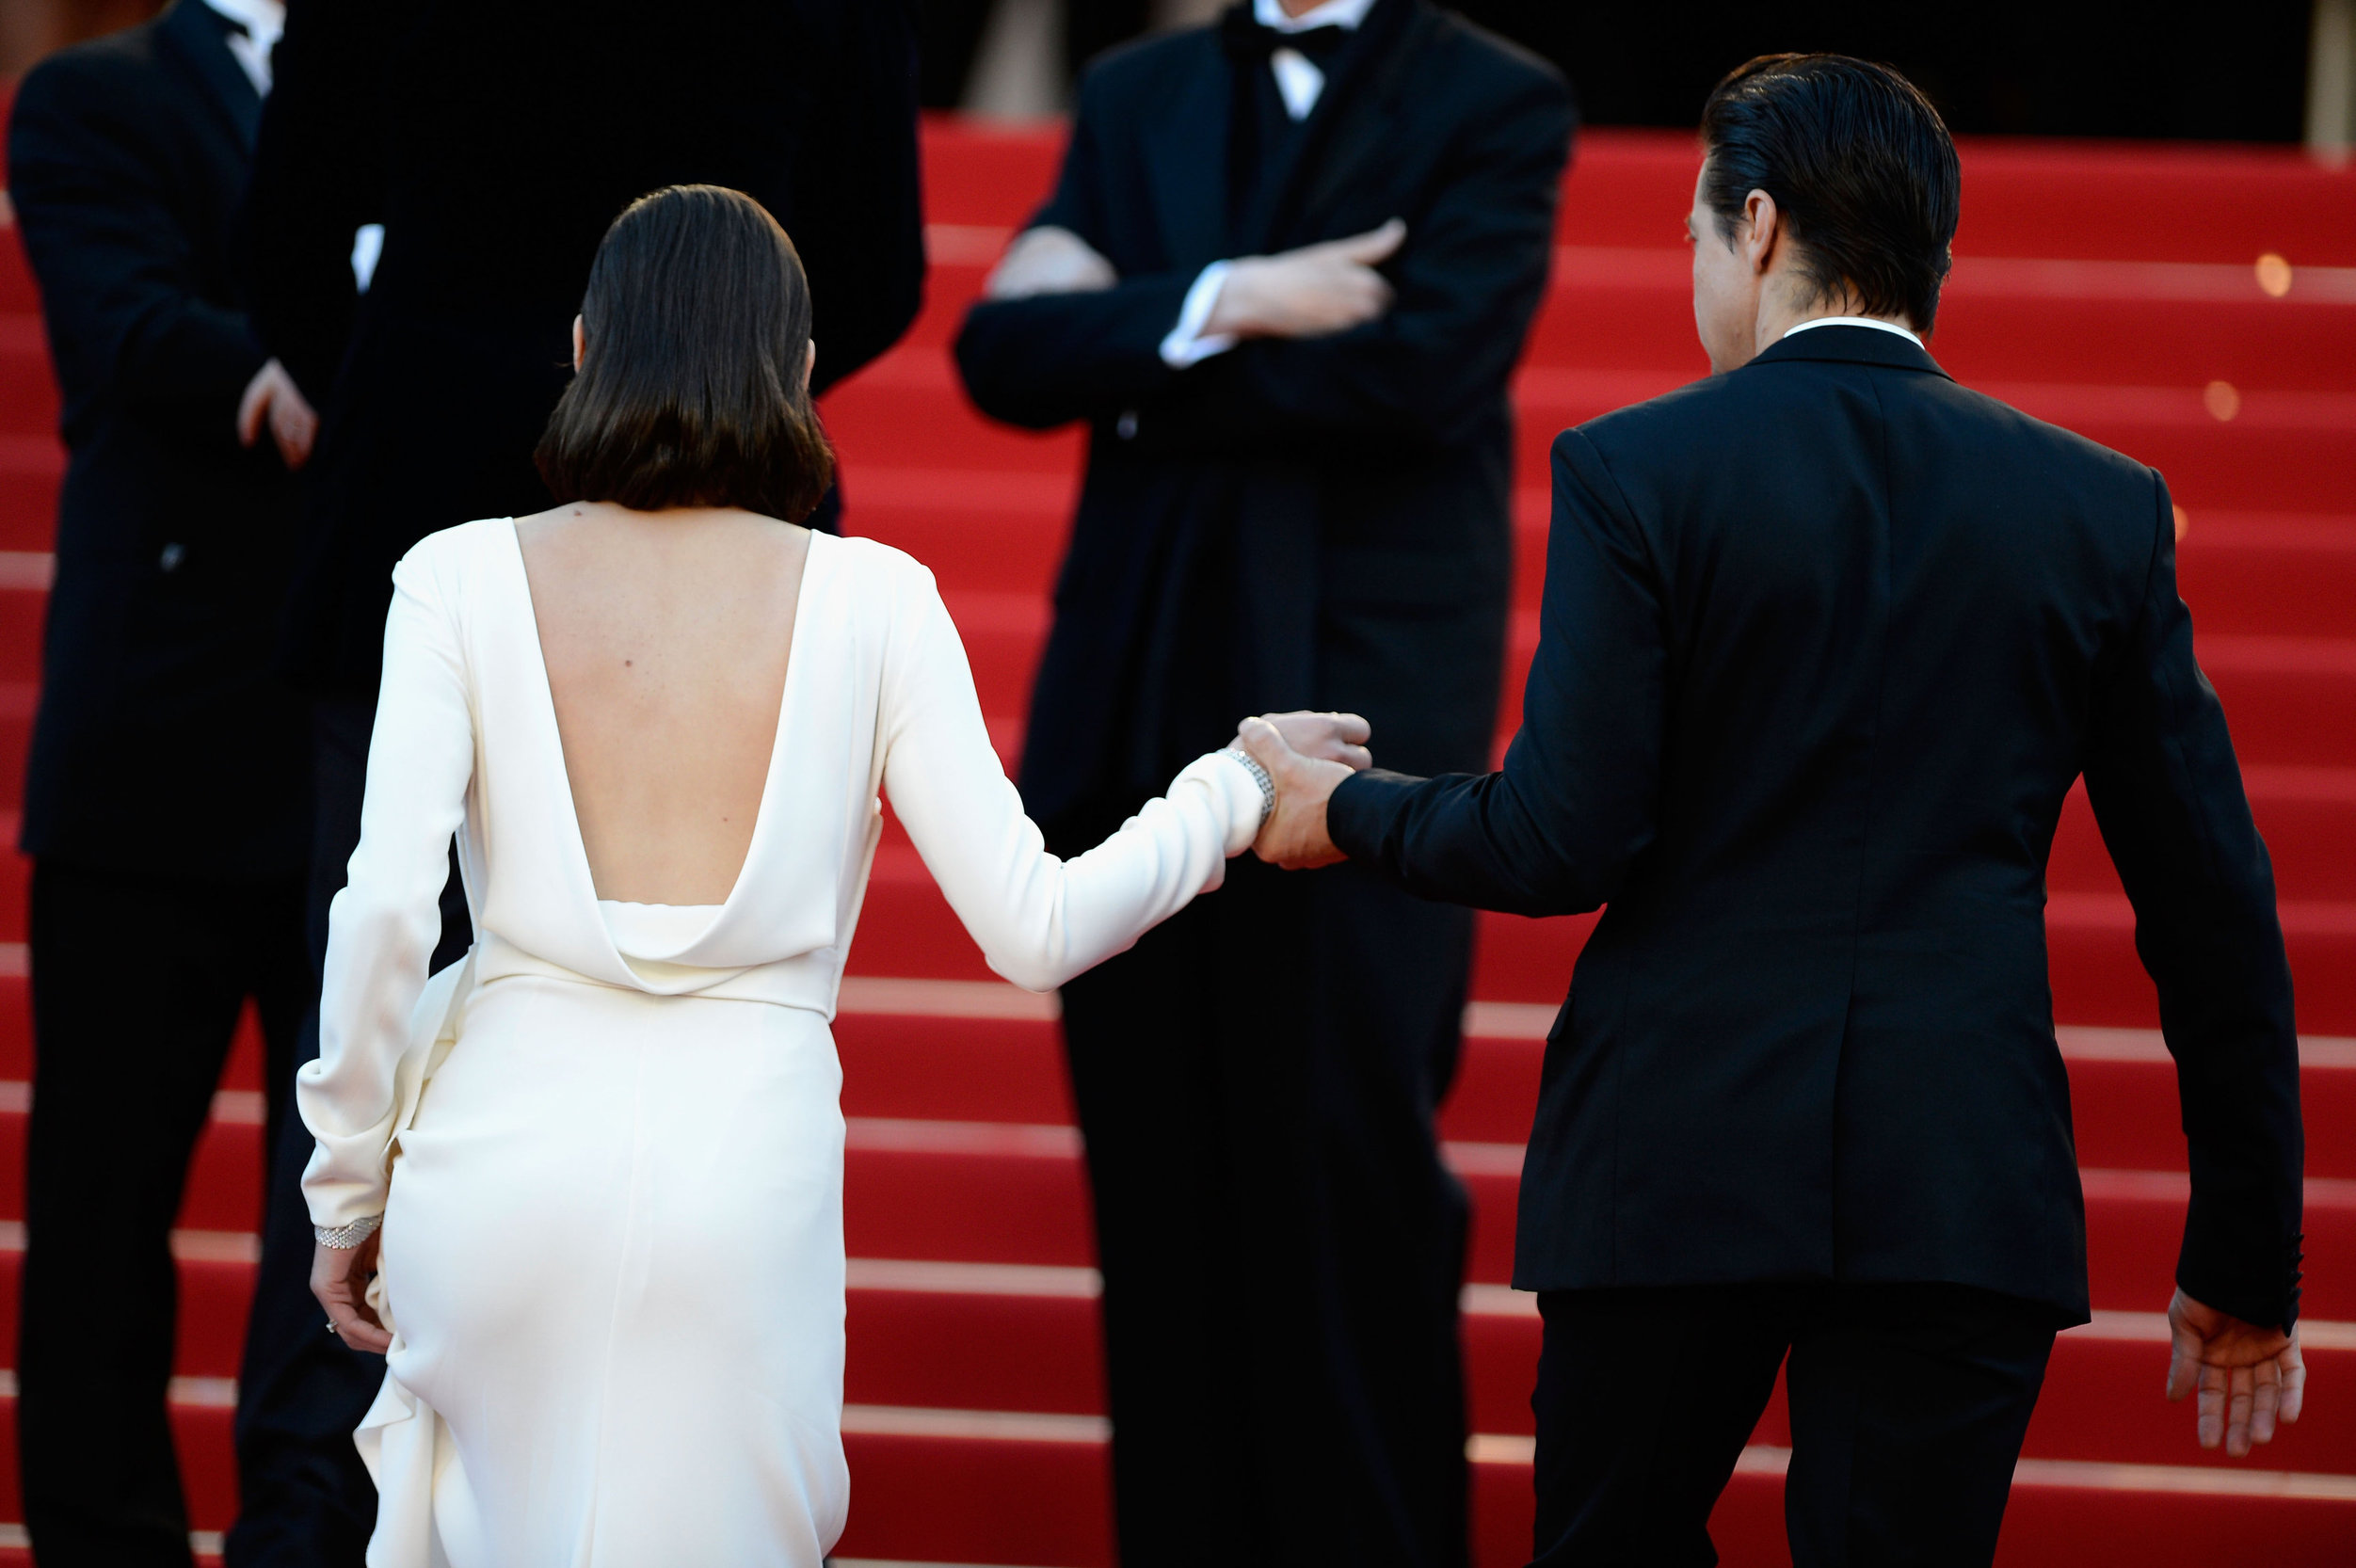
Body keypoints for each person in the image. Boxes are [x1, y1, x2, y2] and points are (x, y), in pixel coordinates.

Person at [1238, 54, 2306, 1567]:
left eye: (1690, 236)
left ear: (1755, 224)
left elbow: (1561, 836)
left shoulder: (1640, 472)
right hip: (1957, 1188)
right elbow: (2212, 906)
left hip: (1671, 1168)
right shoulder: (2097, 508)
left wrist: (1345, 814)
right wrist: (2245, 1253)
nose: (1692, 269)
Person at [294, 183, 1362, 1568]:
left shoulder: (454, 578)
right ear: (798, 374)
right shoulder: (877, 601)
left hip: (497, 1161)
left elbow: (382, 905)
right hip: (745, 1170)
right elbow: (1036, 923)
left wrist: (344, 1188)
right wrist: (1228, 790)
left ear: (580, 347)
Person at [229, 7, 927, 1560]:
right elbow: (875, 271)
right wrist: (714, 405)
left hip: (412, 475)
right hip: (731, 561)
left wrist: (428, 369)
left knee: (364, 1003)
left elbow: (282, 229)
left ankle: (308, 1510)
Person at [952, 3, 1573, 1560]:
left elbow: (1427, 367)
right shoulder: (1139, 88)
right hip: (1135, 701)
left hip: (1368, 714)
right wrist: (1250, 297)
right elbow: (1001, 354)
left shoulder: (1497, 98)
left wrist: (1149, 338)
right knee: (1155, 1184)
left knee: (1343, 1158)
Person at [5, 2, 316, 1560]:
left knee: (338, 1213)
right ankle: (99, 1535)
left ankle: (306, 1531)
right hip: (153, 761)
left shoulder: (404, 80)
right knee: (103, 1210)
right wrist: (285, 383)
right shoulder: (93, 96)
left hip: (354, 753)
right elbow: (121, 326)